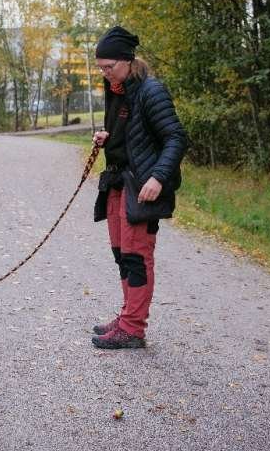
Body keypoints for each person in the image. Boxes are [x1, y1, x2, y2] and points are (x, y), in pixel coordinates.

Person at [90, 25, 188, 349]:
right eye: (101, 68)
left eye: (109, 67)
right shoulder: (118, 90)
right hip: (118, 181)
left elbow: (175, 137)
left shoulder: (151, 91)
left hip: (142, 186)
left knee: (136, 256)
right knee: (121, 254)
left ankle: (133, 328)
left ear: (128, 60)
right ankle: (127, 316)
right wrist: (108, 137)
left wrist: (158, 177)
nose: (105, 74)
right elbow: (130, 133)